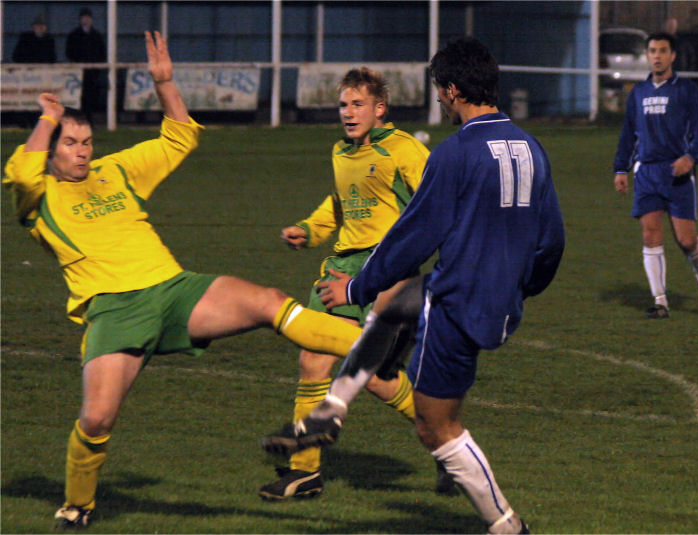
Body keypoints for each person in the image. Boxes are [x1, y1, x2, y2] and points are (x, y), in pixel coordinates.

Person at [2, 31, 363, 530]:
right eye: (70, 144)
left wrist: (165, 84)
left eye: (87, 142)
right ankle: (77, 505)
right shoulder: (36, 198)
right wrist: (46, 116)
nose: (82, 153)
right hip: (113, 309)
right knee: (97, 421)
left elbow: (180, 135)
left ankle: (373, 340)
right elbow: (21, 173)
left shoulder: (116, 170)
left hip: (173, 290)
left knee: (269, 301)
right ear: (51, 151)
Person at [263, 37, 565, 534]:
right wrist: (519, 289)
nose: (442, 103)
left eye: (441, 94)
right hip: (495, 298)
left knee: (435, 426)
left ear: (452, 90)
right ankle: (333, 406)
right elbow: (551, 241)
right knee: (401, 302)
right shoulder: (531, 148)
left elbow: (411, 240)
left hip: (459, 303)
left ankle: (507, 527)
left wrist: (358, 288)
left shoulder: (454, 153)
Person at [260, 67, 450, 500]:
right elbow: (341, 203)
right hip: (339, 267)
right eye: (343, 105)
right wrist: (309, 230)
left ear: (379, 108)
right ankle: (304, 471)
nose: (348, 113)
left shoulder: (404, 150)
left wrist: (392, 273)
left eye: (357, 104)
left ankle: (448, 444)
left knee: (374, 375)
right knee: (314, 361)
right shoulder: (341, 151)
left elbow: (434, 209)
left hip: (378, 271)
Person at [612, 32, 698, 319]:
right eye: (652, 51)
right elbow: (628, 134)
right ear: (647, 55)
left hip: (677, 173)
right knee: (650, 234)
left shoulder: (688, 91)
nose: (657, 56)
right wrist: (621, 168)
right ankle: (660, 301)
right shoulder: (639, 92)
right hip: (647, 172)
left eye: (663, 51)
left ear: (672, 56)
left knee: (686, 240)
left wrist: (691, 157)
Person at [66, 8, 107, 118]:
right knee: (79, 96)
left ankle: (89, 119)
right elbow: (69, 52)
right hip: (78, 73)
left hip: (93, 73)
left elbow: (102, 52)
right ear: (80, 20)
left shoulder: (96, 35)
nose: (86, 20)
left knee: (92, 96)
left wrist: (96, 66)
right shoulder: (74, 35)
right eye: (84, 18)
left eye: (88, 18)